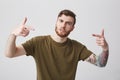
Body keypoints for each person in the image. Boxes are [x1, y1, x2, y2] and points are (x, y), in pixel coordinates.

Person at [5, 9, 109, 80]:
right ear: (56, 22)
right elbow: (10, 54)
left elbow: (100, 63)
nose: (63, 25)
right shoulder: (38, 42)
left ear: (72, 28)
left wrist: (105, 48)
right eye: (61, 21)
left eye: (68, 23)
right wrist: (13, 34)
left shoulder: (77, 47)